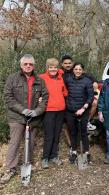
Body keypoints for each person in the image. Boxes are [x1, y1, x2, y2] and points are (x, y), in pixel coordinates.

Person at [1, 54, 48, 184]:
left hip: (33, 118)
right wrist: (22, 110)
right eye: (25, 64)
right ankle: (10, 168)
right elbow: (8, 97)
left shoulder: (39, 80)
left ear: (34, 65)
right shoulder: (13, 78)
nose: (28, 66)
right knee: (15, 143)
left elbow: (44, 98)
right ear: (21, 65)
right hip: (17, 117)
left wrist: (37, 111)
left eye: (30, 64)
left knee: (30, 142)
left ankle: (28, 163)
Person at [39, 58, 68, 168]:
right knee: (49, 135)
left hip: (60, 110)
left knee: (57, 134)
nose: (53, 69)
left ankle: (54, 156)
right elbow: (35, 90)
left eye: (55, 67)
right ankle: (45, 157)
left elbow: (65, 92)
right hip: (48, 110)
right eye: (51, 67)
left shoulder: (60, 78)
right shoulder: (42, 78)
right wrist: (38, 98)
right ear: (47, 68)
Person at [64, 62, 94, 164]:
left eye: (80, 69)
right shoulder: (68, 80)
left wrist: (83, 108)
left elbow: (90, 97)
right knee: (73, 132)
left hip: (83, 111)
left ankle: (86, 152)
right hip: (70, 111)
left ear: (83, 70)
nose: (78, 71)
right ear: (73, 70)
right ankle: (73, 152)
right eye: (76, 69)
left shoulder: (87, 81)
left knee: (83, 133)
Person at [60, 55, 73, 154]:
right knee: (66, 124)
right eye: (66, 63)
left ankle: (75, 142)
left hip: (74, 101)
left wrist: (94, 82)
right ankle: (70, 144)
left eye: (69, 63)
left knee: (73, 122)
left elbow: (89, 77)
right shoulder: (59, 74)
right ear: (62, 64)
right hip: (63, 101)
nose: (68, 65)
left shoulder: (76, 71)